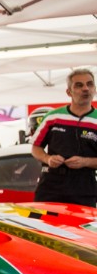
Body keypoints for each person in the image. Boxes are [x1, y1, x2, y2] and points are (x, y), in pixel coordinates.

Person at [31, 68, 97, 206]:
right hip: (51, 185)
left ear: (94, 89)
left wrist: (85, 162)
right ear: (69, 92)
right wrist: (47, 158)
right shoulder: (52, 117)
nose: (85, 89)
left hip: (84, 187)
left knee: (81, 228)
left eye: (89, 84)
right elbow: (36, 148)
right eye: (79, 85)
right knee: (42, 226)